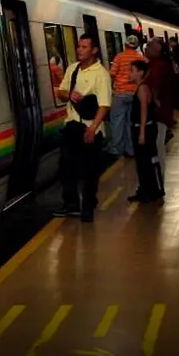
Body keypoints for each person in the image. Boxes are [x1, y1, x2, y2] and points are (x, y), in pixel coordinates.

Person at [53, 34, 112, 223]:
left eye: (84, 47)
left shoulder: (101, 74)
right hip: (71, 126)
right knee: (66, 167)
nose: (80, 50)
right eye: (78, 46)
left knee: (89, 171)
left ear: (94, 50)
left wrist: (93, 128)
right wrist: (69, 94)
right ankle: (70, 204)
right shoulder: (73, 69)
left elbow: (104, 105)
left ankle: (88, 207)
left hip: (90, 128)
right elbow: (60, 92)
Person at [126, 60, 164, 203]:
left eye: (132, 70)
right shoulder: (144, 87)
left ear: (140, 73)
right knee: (144, 161)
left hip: (143, 128)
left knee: (145, 161)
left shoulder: (142, 88)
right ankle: (146, 190)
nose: (129, 73)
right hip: (146, 127)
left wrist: (142, 132)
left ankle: (150, 191)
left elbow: (144, 111)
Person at [142, 38, 175, 177]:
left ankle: (157, 180)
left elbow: (154, 88)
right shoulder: (161, 65)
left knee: (156, 147)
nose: (146, 48)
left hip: (157, 114)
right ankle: (157, 179)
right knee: (157, 146)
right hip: (162, 113)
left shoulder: (157, 67)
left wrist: (152, 102)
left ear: (157, 50)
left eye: (149, 46)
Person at [105, 35, 142, 158]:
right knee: (130, 122)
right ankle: (130, 150)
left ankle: (116, 149)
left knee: (117, 122)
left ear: (125, 45)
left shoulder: (119, 57)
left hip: (120, 94)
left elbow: (112, 74)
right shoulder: (140, 58)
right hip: (134, 94)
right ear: (136, 46)